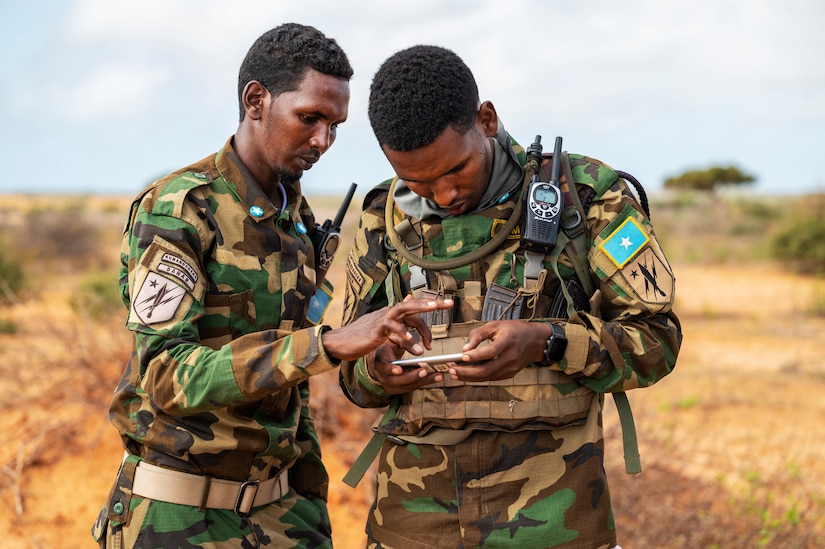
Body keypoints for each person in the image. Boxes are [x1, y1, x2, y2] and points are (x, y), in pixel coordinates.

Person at [91, 25, 452, 548]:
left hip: (281, 514)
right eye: (309, 118)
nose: (323, 141)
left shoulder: (297, 219)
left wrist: (307, 507)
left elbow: (288, 393)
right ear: (256, 100)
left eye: (335, 125)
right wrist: (327, 343)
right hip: (179, 517)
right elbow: (167, 377)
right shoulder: (181, 209)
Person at [339, 45, 682, 549]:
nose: (444, 194)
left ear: (487, 119)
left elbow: (657, 341)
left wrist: (548, 342)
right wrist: (377, 370)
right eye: (418, 181)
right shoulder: (384, 218)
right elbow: (351, 370)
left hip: (555, 518)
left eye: (455, 169)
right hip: (413, 524)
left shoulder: (583, 197)